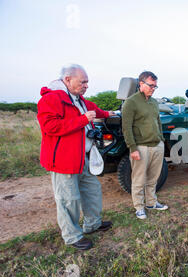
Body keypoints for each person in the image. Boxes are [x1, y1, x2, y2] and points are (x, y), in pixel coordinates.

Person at [37, 64, 115, 250]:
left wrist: (108, 114)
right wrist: (82, 120)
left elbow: (94, 111)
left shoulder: (78, 100)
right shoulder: (51, 100)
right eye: (83, 82)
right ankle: (72, 236)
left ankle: (93, 224)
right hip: (63, 160)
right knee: (68, 199)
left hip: (83, 157)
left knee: (92, 190)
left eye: (87, 82)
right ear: (67, 80)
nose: (86, 85)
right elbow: (50, 127)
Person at [121, 71, 168, 220]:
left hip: (157, 145)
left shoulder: (154, 102)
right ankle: (139, 207)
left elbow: (158, 121)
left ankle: (151, 203)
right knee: (139, 179)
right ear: (141, 84)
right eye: (150, 85)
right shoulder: (131, 102)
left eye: (155, 86)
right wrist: (133, 148)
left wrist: (161, 139)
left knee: (153, 178)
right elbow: (126, 127)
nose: (153, 88)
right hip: (141, 147)